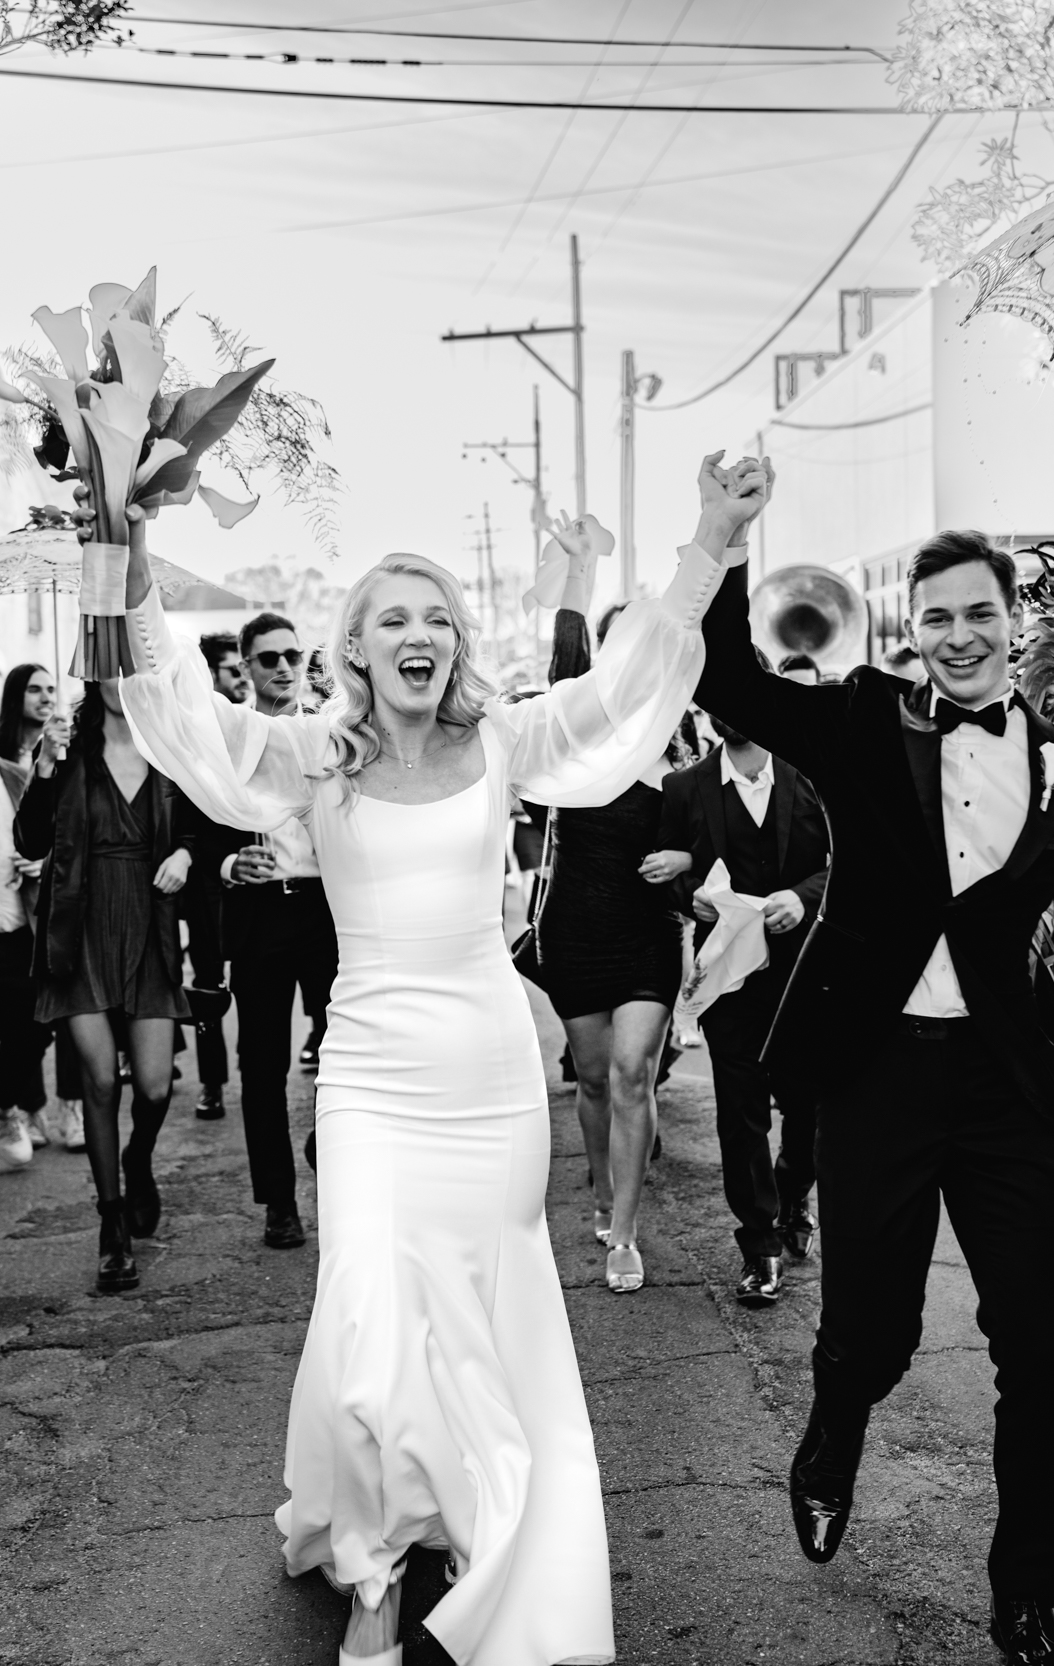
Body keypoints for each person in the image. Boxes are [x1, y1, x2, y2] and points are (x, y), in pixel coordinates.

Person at [102, 453, 764, 1666]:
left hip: (485, 1072)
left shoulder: (507, 737)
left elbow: (628, 685)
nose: (418, 635)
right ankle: (370, 1561)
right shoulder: (314, 755)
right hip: (365, 1072)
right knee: (367, 1307)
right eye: (390, 618)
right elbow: (177, 715)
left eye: (437, 618)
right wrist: (121, 542)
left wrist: (708, 541)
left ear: (458, 644)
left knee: (475, 1304)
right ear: (353, 648)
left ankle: (461, 1515)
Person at [694, 496, 1054, 1666]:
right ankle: (834, 1433)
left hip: (1003, 1086)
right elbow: (731, 677)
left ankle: (1022, 1601)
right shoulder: (868, 722)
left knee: (1043, 1349)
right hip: (873, 1073)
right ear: (912, 627)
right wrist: (725, 539)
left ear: (1009, 614)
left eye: (978, 612)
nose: (958, 634)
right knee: (872, 1335)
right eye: (936, 617)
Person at [530, 595, 714, 1295]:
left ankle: (627, 1234)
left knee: (634, 1071)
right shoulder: (573, 737)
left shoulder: (682, 741)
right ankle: (603, 1194)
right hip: (576, 928)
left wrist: (684, 862)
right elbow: (562, 666)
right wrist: (573, 585)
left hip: (646, 932)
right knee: (596, 1076)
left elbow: (712, 840)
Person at [15, 679, 195, 1293]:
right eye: (110, 672)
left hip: (150, 926)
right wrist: (43, 767)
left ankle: (137, 1158)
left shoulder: (168, 750)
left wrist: (187, 856)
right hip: (81, 931)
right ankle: (111, 1228)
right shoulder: (68, 754)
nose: (122, 685)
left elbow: (202, 822)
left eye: (132, 671)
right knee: (96, 1081)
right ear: (96, 679)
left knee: (151, 1085)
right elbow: (29, 841)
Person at [651, 707, 829, 1305]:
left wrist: (803, 899)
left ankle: (791, 1192)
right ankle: (760, 1248)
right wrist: (691, 895)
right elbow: (665, 865)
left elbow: (844, 862)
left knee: (807, 1102)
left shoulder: (810, 776)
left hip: (804, 974)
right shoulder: (684, 788)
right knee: (741, 1112)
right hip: (730, 980)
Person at [206, 609, 339, 1250]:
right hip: (259, 916)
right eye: (268, 659)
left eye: (292, 656)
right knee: (261, 1065)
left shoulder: (330, 732)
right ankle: (279, 1203)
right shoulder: (228, 737)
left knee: (347, 1055)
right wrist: (229, 862)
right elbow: (193, 825)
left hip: (327, 912)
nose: (283, 667)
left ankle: (332, 1152)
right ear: (246, 665)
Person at [183, 634, 252, 1121]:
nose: (241, 677)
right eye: (231, 670)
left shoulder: (256, 726)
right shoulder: (192, 734)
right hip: (207, 877)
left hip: (256, 878)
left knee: (252, 985)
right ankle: (211, 1083)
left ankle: (253, 1072)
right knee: (207, 985)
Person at [0, 664, 56, 1168]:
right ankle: (15, 1107)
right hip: (9, 906)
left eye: (50, 689)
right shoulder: (6, 763)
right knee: (14, 1016)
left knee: (34, 1018)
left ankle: (31, 1103)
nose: (44, 697)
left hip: (36, 909)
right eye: (33, 688)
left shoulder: (54, 755)